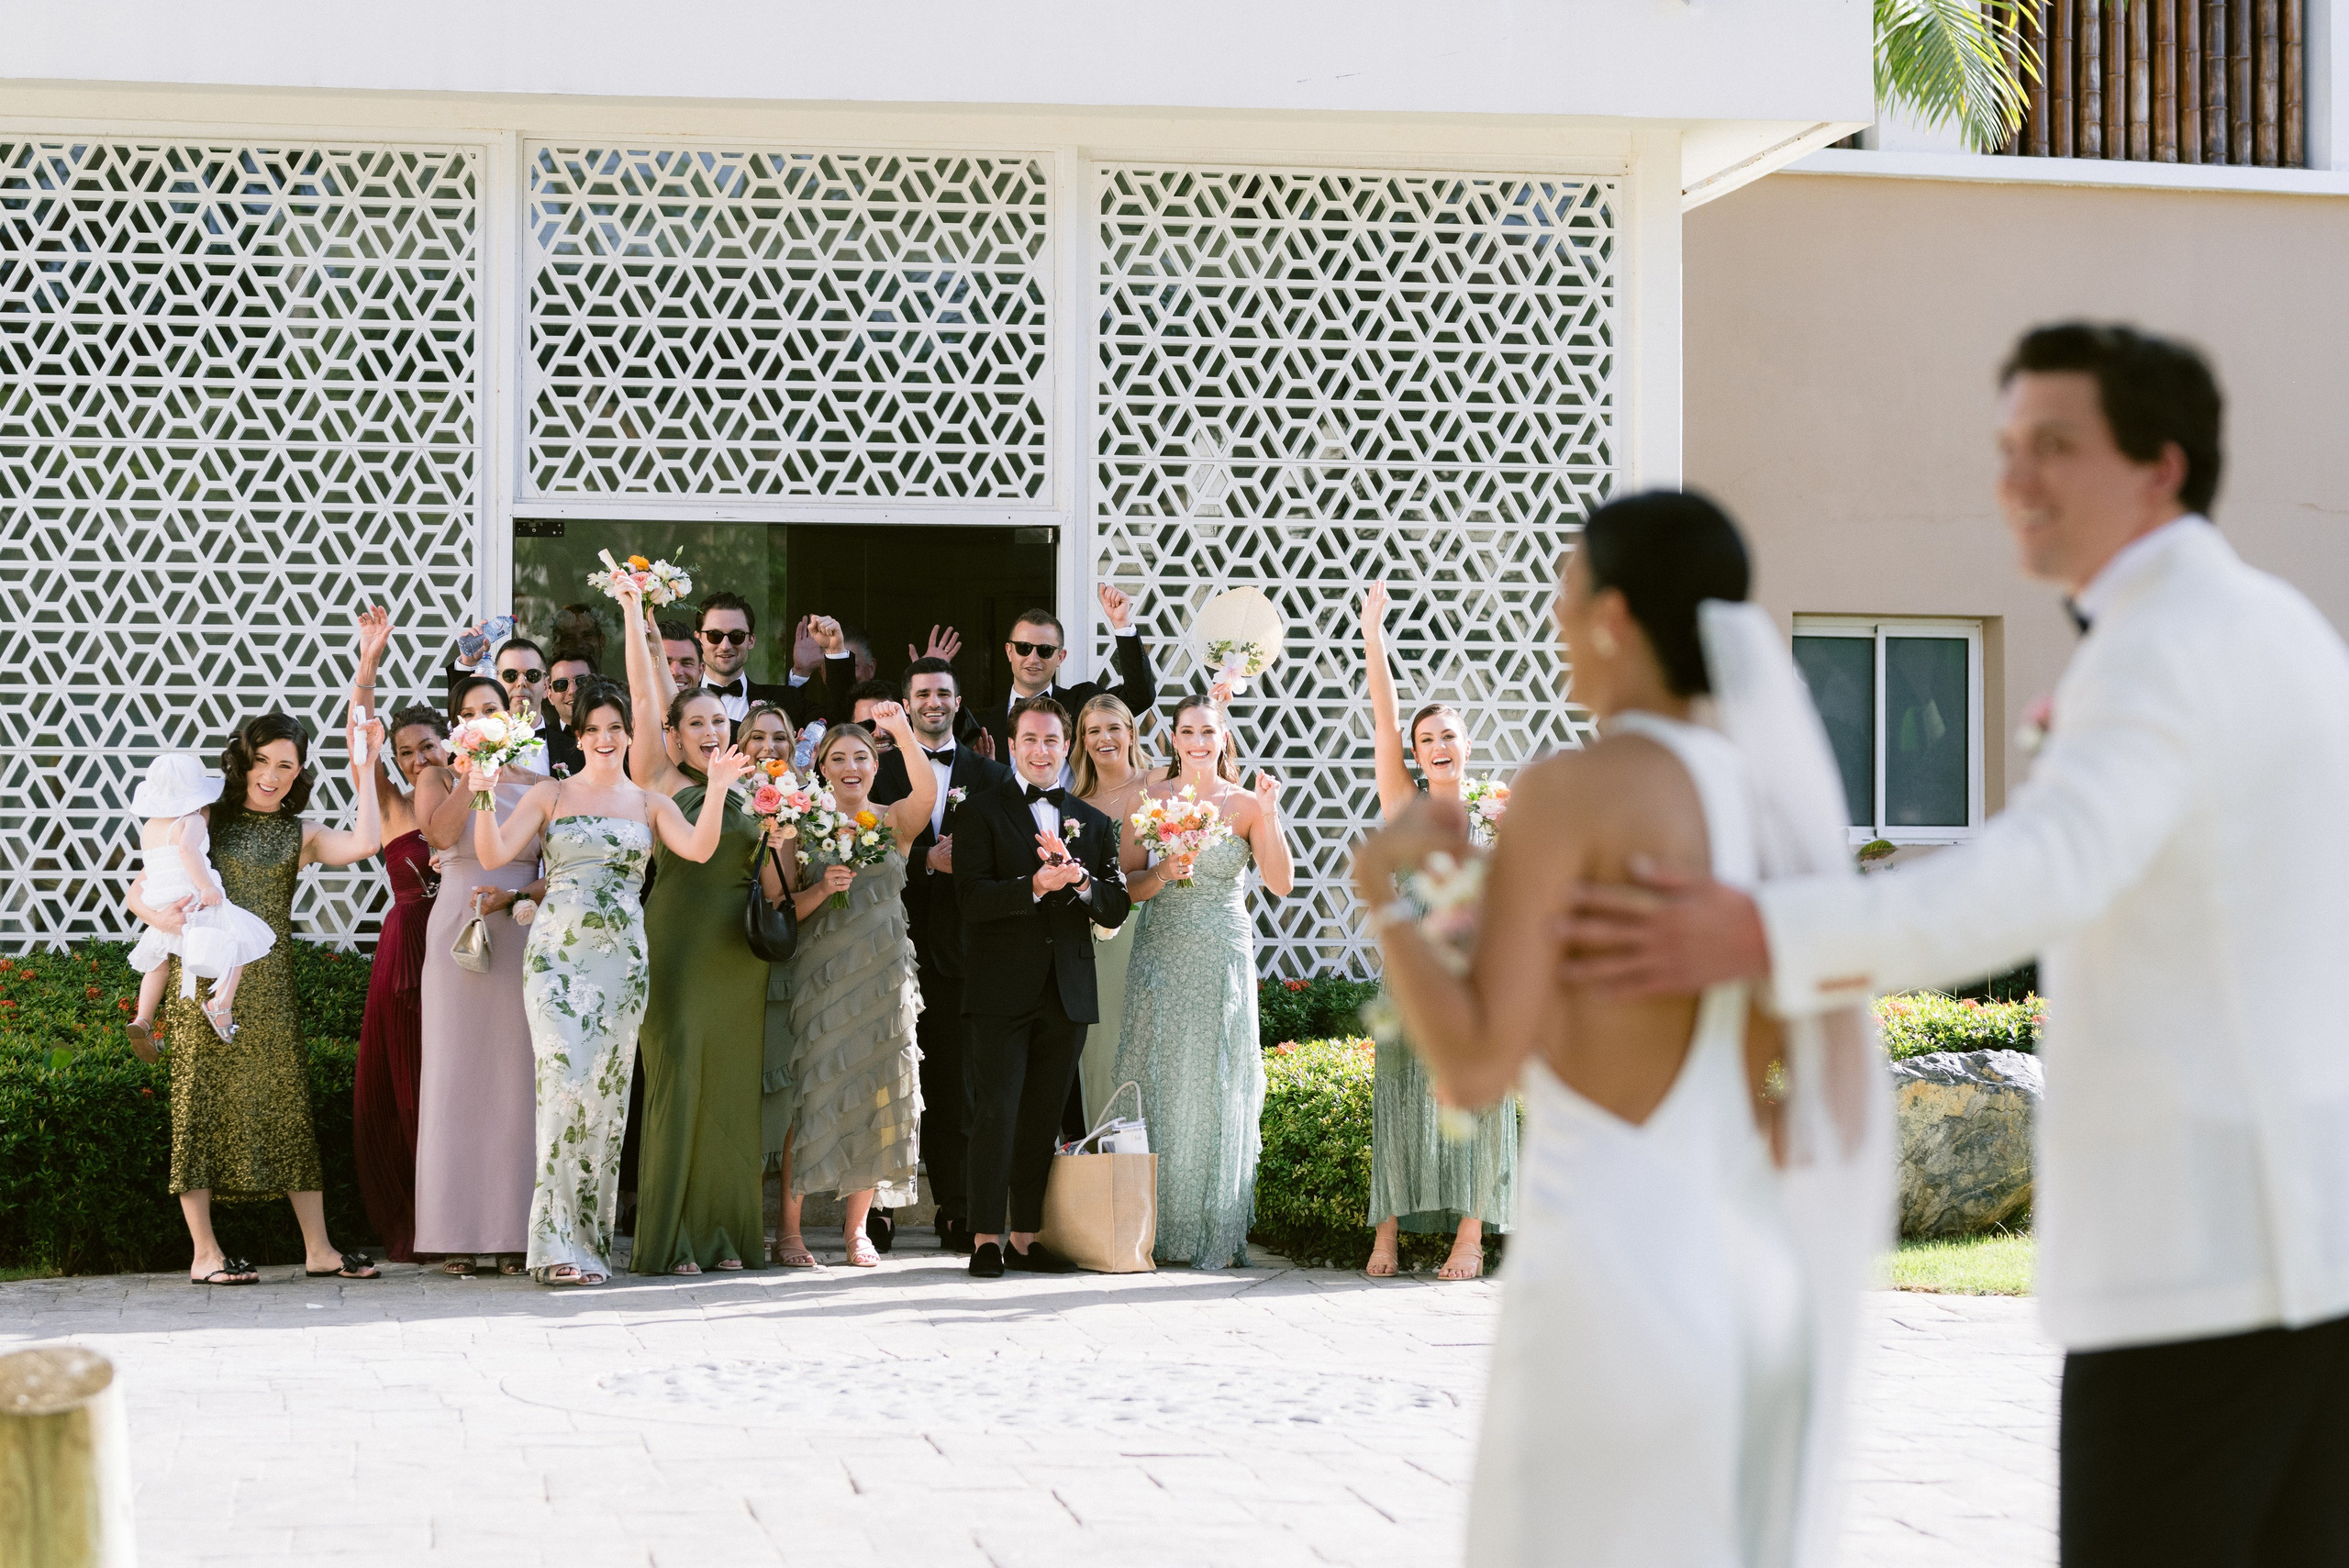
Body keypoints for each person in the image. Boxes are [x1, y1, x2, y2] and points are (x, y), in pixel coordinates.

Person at [1557, 327, 2349, 1567]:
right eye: (2006, 448)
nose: (2014, 482)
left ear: (2162, 469)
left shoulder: (2160, 647)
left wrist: (1764, 927)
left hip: (2203, 1256)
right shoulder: (2274, 624)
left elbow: (2039, 871)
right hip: (2315, 1238)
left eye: (2056, 447)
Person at [1357, 489, 1888, 1568]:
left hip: (1602, 1279)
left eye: (1564, 594)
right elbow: (1820, 1088)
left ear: (1614, 616)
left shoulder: (1575, 794)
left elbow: (1470, 1067)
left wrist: (1384, 890)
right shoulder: (1775, 805)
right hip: (1746, 1276)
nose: (1556, 623)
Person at [467, 677, 749, 1286]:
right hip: (557, 959)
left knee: (606, 1100)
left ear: (630, 735)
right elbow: (492, 855)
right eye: (592, 729)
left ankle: (587, 1242)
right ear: (577, 736)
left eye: (615, 728)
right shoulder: (549, 793)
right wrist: (483, 794)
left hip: (622, 960)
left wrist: (720, 788)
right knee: (563, 1089)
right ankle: (551, 1243)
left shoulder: (650, 802)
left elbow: (699, 849)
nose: (604, 738)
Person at [125, 707, 386, 1286]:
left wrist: (366, 768)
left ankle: (318, 1249)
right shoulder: (207, 817)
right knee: (197, 1110)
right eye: (262, 760)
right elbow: (142, 887)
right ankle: (205, 1254)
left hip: (271, 988)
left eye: (285, 765)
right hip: (200, 980)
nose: (271, 774)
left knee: (290, 1108)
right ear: (245, 760)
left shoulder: (303, 834)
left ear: (299, 773)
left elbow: (369, 841)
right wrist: (156, 915)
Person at [614, 582, 786, 1275]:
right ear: (676, 735)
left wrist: (780, 837)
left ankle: (723, 1235)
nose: (713, 733)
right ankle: (675, 1237)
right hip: (678, 946)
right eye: (698, 724)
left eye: (721, 722)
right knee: (679, 1082)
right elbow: (644, 687)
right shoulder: (655, 771)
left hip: (737, 956)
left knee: (728, 1092)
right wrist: (634, 614)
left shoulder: (753, 786)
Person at [1357, 581, 1518, 1281]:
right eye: (1427, 740)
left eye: (1448, 734)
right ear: (1418, 756)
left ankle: (1470, 1235)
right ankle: (1387, 1231)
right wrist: (1373, 634)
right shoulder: (1408, 806)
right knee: (1398, 1085)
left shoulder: (1501, 807)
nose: (1438, 745)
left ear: (1467, 741)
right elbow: (1383, 720)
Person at [953, 697, 1135, 1277]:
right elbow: (971, 901)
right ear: (1012, 748)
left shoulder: (1095, 822)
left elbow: (1114, 908)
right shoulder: (981, 813)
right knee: (997, 1112)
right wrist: (1031, 886)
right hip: (1000, 990)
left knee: (1042, 1116)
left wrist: (1079, 880)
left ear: (1065, 747)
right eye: (1029, 740)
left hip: (1067, 992)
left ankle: (1026, 1238)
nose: (1040, 750)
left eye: (1051, 740)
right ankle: (985, 1236)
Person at [1108, 695, 1289, 1269]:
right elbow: (1126, 888)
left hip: (1222, 950)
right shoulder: (1149, 799)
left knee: (1219, 1077)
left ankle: (1214, 1223)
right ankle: (1154, 1229)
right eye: (1187, 731)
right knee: (1159, 1071)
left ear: (1223, 738)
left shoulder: (1244, 804)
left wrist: (1271, 812)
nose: (1197, 741)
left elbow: (1281, 882)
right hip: (1163, 946)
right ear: (1174, 739)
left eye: (1207, 731)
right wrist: (1163, 870)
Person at [868, 656, 1012, 1256]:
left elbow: (1006, 854)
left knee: (956, 1088)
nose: (933, 701)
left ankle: (957, 1209)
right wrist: (928, 861)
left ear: (958, 701)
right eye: (922, 692)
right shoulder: (874, 771)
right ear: (906, 701)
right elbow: (869, 851)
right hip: (886, 946)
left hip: (962, 952)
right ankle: (877, 1211)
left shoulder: (989, 774)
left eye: (943, 693)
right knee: (885, 1086)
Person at [782, 710, 934, 1267]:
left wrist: (904, 731)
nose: (851, 767)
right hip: (823, 975)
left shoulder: (894, 822)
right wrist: (823, 887)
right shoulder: (801, 823)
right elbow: (783, 909)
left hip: (883, 975)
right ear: (820, 767)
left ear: (876, 764)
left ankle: (857, 1232)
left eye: (862, 757)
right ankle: (791, 1231)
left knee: (879, 1092)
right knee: (811, 1093)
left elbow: (927, 788)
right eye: (839, 758)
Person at [413, 673, 546, 1277]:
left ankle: (516, 1231)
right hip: (457, 929)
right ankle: (453, 1231)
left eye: (490, 709)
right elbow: (437, 834)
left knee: (514, 1079)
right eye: (469, 712)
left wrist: (524, 893)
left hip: (519, 926)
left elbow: (559, 865)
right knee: (455, 1077)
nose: (480, 717)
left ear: (511, 716)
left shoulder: (543, 786)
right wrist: (474, 774)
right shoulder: (437, 777)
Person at [124, 754, 276, 1047]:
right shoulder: (191, 819)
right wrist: (206, 886)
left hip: (162, 903)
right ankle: (220, 1004)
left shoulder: (150, 828)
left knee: (158, 965)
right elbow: (187, 850)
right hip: (192, 897)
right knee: (236, 943)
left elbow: (155, 865)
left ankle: (143, 1018)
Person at [735, 701, 806, 1257]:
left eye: (779, 737)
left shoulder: (810, 804)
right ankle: (740, 1220)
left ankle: (788, 1228)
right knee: (742, 1090)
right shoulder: (724, 797)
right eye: (757, 736)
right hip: (728, 955)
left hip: (788, 961)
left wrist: (784, 823)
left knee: (785, 1097)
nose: (768, 747)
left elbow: (782, 893)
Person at [1069, 694, 1152, 1127]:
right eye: (1093, 731)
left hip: (1157, 931)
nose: (1104, 738)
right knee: (1101, 1049)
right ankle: (1104, 1154)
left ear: (1131, 733)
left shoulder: (1160, 784)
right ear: (1082, 742)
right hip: (1098, 941)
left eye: (1113, 727)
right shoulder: (1072, 802)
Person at [975, 586, 1157, 763]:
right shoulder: (982, 723)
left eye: (1045, 650)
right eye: (1024, 648)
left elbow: (1139, 697)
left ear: (1060, 657)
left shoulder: (1081, 702)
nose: (1033, 658)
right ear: (1009, 652)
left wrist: (1121, 623)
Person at [698, 592, 851, 730]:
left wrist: (835, 652)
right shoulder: (678, 698)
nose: (725, 646)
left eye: (737, 635)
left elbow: (837, 727)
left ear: (751, 641)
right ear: (699, 638)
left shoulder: (785, 700)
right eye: (714, 635)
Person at [540, 648, 596, 778]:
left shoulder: (616, 735)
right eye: (561, 684)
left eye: (581, 681)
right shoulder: (542, 742)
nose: (572, 691)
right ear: (550, 696)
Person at [658, 617, 704, 693]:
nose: (676, 672)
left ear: (700, 671)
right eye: (665, 663)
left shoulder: (717, 704)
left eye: (687, 663)